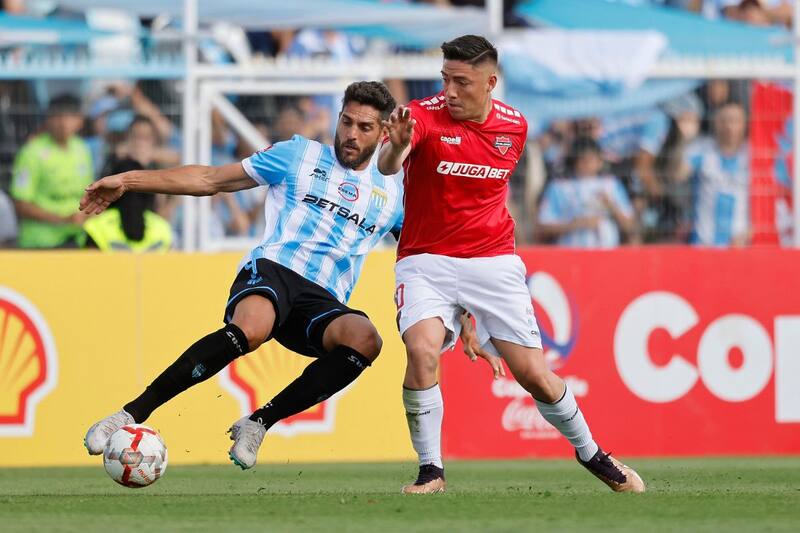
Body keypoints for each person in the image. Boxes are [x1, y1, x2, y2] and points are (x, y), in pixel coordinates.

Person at [80, 81, 487, 469]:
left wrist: (465, 314)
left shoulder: (395, 194)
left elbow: (433, 255)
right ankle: (130, 413)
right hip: (274, 269)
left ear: (384, 133)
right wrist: (129, 181)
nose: (350, 134)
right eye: (346, 121)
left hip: (322, 300)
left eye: (364, 127)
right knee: (252, 328)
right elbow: (210, 179)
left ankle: (257, 423)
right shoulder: (298, 155)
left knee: (366, 339)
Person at [378, 35, 645, 494]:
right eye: (446, 79)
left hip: (493, 263)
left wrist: (469, 309)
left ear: (490, 83)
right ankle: (431, 471)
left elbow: (480, 201)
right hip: (425, 261)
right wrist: (395, 148)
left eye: (462, 82)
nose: (451, 91)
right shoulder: (421, 117)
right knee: (421, 351)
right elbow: (387, 166)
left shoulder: (515, 128)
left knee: (535, 376)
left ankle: (594, 454)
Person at [10, 93, 93, 248]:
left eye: (70, 116)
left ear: (80, 120)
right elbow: (21, 203)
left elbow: (88, 192)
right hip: (41, 242)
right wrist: (61, 220)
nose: (63, 123)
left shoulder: (82, 149)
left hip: (77, 238)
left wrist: (85, 215)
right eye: (58, 116)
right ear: (48, 119)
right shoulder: (32, 152)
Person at [535, 137, 634, 248]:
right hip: (570, 255)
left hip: (607, 254)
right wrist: (577, 224)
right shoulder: (559, 187)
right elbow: (542, 226)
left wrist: (611, 206)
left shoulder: (612, 185)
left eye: (591, 159)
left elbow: (629, 226)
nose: (586, 164)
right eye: (582, 160)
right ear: (574, 161)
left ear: (600, 161)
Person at [685, 102, 750, 247]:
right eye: (725, 120)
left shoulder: (754, 155)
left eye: (735, 121)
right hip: (704, 245)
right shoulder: (701, 149)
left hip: (740, 247)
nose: (729, 126)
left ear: (745, 123)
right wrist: (685, 139)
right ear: (716, 123)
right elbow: (676, 175)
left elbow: (768, 202)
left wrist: (749, 233)